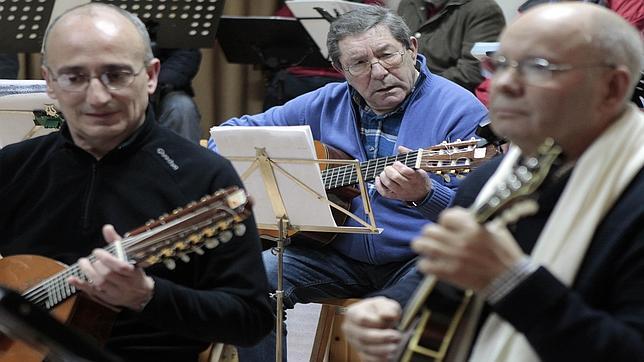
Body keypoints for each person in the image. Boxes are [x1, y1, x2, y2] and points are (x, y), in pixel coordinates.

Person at [341, 3, 644, 362]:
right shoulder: (492, 177)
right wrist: (387, 305)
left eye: (538, 67)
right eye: (499, 64)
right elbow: (440, 274)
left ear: (612, 87)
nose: (503, 84)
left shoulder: (634, 195)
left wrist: (510, 281)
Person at [209, 5, 489, 360]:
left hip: (416, 258)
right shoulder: (325, 102)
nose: (378, 72)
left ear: (412, 49)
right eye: (358, 64)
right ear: (340, 70)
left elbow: (478, 220)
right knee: (250, 277)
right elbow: (230, 133)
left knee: (439, 297)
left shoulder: (460, 110)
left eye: (387, 55)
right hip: (334, 254)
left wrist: (426, 194)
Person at [0, 3, 273, 361]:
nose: (97, 97)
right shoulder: (14, 165)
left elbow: (249, 319)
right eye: (74, 77)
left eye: (116, 75)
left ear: (151, 75)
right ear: (50, 81)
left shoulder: (205, 176)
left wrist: (147, 295)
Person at [397, 0, 506, 93]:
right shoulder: (408, 3)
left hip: (450, 98)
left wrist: (416, 84)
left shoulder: (483, 9)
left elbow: (474, 72)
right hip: (404, 90)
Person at [152, 48, 203, 143]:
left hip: (162, 88)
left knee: (182, 107)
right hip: (123, 83)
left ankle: (185, 157)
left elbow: (186, 55)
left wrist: (152, 82)